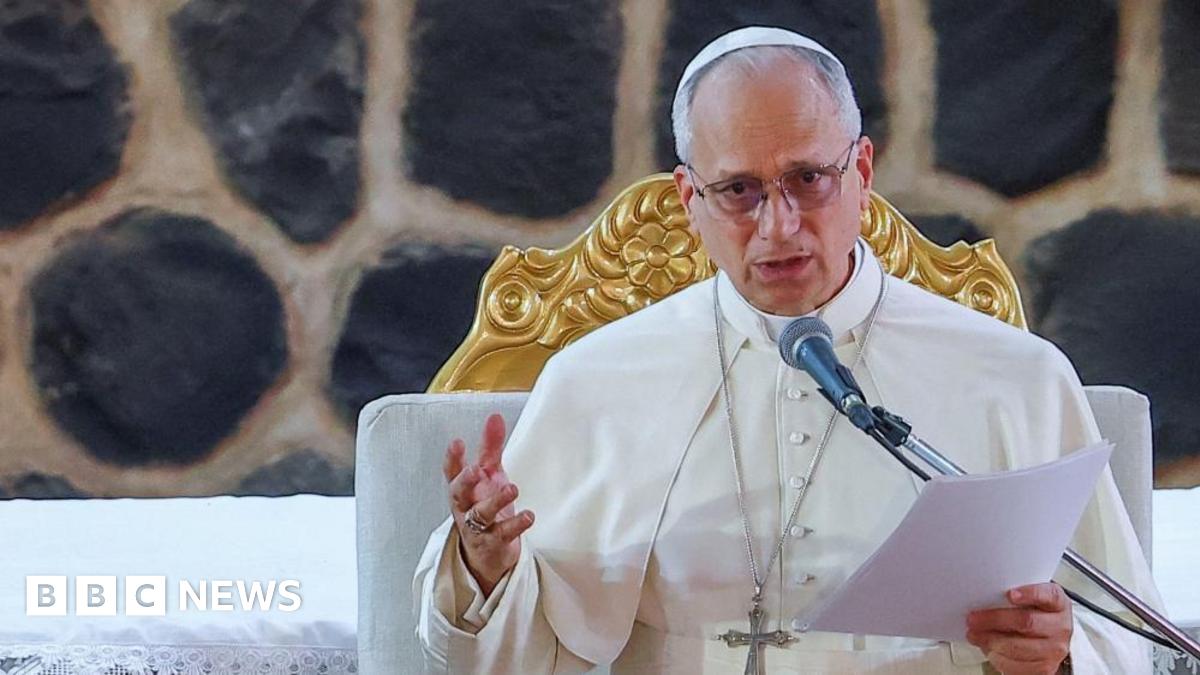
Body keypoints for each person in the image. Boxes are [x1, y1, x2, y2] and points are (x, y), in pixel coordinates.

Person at [413, 26, 1160, 674]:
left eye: (808, 179)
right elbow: (511, 650)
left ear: (861, 173)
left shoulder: (1015, 378)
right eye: (738, 190)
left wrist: (1058, 652)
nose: (778, 226)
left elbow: (1121, 637)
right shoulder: (595, 379)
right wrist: (485, 566)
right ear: (689, 201)